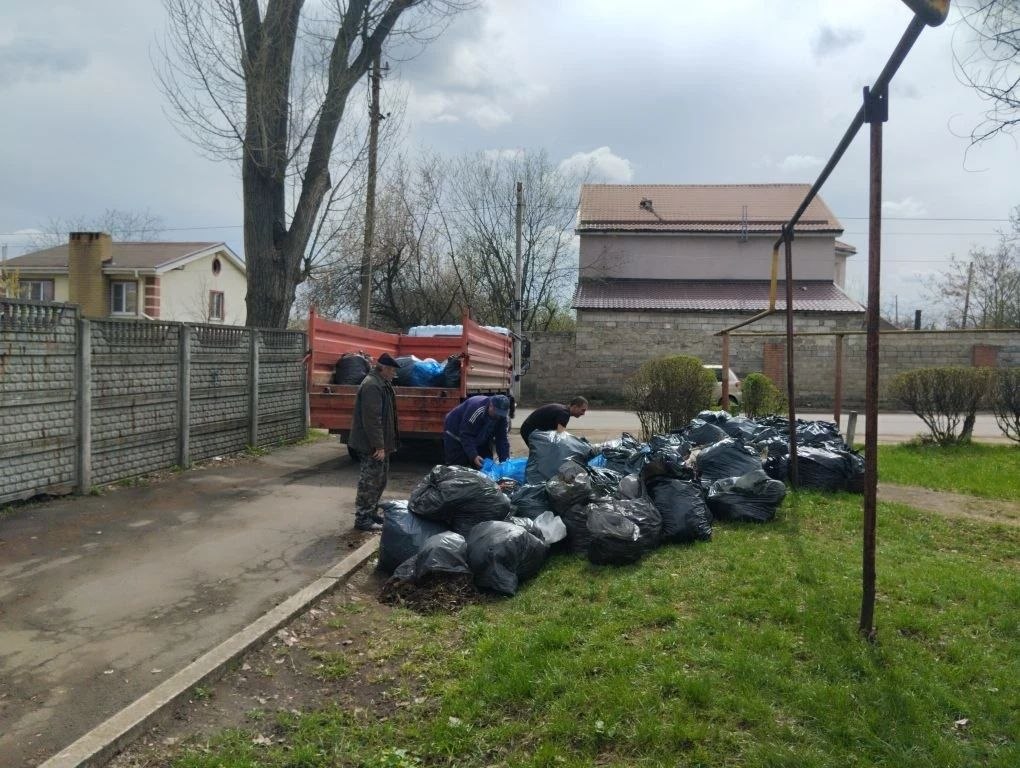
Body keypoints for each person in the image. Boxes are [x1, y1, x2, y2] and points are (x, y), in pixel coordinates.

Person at [347, 352, 401, 532]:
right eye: (392, 370)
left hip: (380, 443)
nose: (394, 374)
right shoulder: (372, 385)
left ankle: (371, 513)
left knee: (380, 480)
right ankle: (362, 518)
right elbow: (372, 419)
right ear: (383, 368)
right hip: (370, 444)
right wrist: (378, 445)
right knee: (370, 481)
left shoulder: (382, 383)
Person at [443, 393, 512, 469]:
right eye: (497, 413)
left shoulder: (502, 417)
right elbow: (466, 434)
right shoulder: (477, 409)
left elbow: (502, 439)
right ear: (491, 406)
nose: (498, 417)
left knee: (485, 465)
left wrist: (505, 462)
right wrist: (474, 455)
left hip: (478, 435)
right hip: (455, 433)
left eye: (501, 414)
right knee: (457, 467)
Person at [519, 396, 589, 448]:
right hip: (529, 431)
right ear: (574, 407)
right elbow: (560, 437)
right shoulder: (564, 414)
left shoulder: (564, 410)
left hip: (531, 430)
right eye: (582, 410)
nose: (583, 413)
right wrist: (577, 443)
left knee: (547, 451)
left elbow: (559, 434)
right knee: (542, 454)